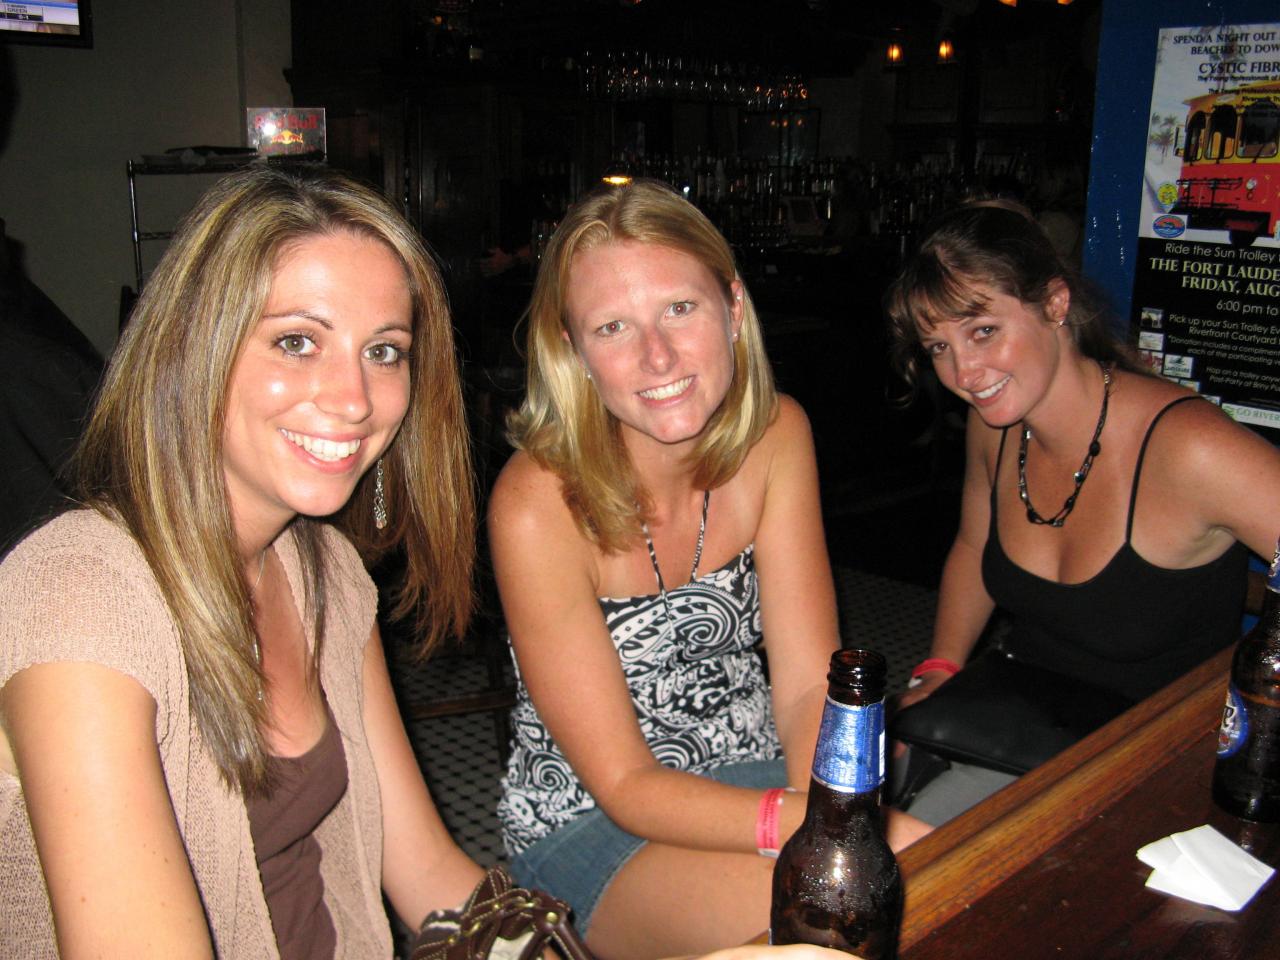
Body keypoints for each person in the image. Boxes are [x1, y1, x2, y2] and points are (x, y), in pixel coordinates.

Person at [0, 164, 856, 960]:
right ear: (193, 345)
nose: (353, 398)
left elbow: (431, 878)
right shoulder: (81, 598)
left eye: (383, 351)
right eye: (297, 341)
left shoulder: (324, 575)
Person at [489, 178, 930, 960]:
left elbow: (807, 687)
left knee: (936, 874)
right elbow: (624, 785)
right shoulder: (535, 504)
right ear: (573, 349)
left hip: (759, 769)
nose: (656, 355)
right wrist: (806, 827)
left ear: (732, 307)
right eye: (613, 326)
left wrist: (834, 823)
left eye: (680, 309)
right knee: (835, 934)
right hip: (592, 822)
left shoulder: (777, 435)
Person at [885, 200, 1280, 823]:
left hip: (1162, 762)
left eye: (982, 330)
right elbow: (972, 544)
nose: (963, 372)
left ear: (1055, 304)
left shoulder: (1189, 448)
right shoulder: (996, 427)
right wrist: (940, 667)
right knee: (885, 837)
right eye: (939, 345)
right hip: (1024, 727)